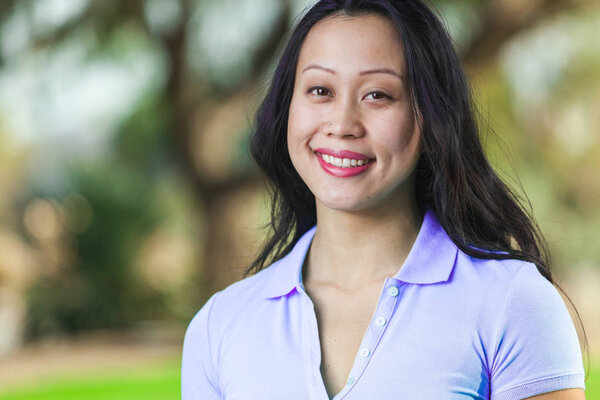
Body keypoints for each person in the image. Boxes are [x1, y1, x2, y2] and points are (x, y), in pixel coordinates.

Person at [182, 0, 587, 398]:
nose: (342, 125)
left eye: (378, 95)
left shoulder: (512, 304)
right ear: (288, 107)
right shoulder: (220, 325)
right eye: (320, 90)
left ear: (429, 116)